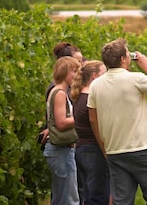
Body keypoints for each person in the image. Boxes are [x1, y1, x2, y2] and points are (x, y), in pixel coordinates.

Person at [87, 38, 147, 204]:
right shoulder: (137, 78)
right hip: (140, 149)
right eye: (127, 53)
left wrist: (104, 147)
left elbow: (92, 119)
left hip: (114, 151)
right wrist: (146, 67)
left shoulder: (95, 85)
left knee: (122, 201)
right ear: (123, 59)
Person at [70, 60, 110, 205]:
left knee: (87, 193)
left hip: (81, 148)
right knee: (98, 195)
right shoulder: (91, 99)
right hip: (94, 150)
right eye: (104, 73)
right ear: (94, 76)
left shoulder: (79, 96)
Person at [44, 56, 81, 205]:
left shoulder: (56, 91)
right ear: (65, 73)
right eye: (74, 71)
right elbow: (61, 123)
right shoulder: (59, 93)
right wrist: (80, 118)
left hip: (60, 150)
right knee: (69, 198)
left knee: (61, 196)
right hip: (61, 150)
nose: (77, 75)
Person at [39, 42, 83, 148]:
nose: (81, 67)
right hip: (61, 143)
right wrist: (82, 118)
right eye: (77, 63)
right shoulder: (59, 90)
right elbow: (59, 120)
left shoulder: (68, 86)